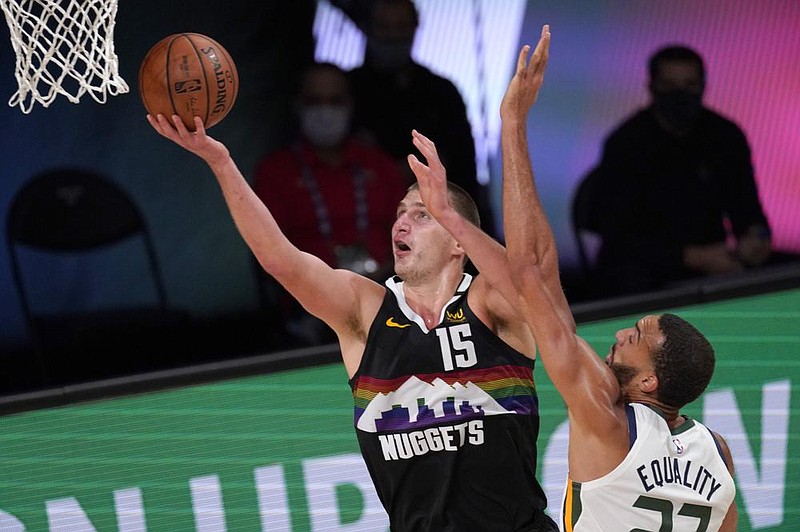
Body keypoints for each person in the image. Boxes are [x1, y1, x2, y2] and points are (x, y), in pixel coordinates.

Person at [146, 89, 556, 530]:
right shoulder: (365, 310)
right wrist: (221, 162)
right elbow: (280, 261)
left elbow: (532, 280)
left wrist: (454, 208)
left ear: (458, 241)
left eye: (422, 215)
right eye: (400, 213)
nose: (401, 221)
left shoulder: (490, 305)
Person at [412, 26, 738, 530]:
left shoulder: (605, 418)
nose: (623, 333)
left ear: (649, 381)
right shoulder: (717, 452)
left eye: (638, 337)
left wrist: (513, 122)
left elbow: (531, 278)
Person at [586, 44, 771, 296]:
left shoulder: (726, 136)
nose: (680, 94)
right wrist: (692, 257)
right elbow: (618, 235)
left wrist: (756, 237)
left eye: (690, 85)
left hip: (716, 262)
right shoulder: (626, 143)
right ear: (652, 87)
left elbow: (748, 209)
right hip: (644, 269)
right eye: (669, 85)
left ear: (703, 86)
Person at [253, 61, 406, 344]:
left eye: (335, 101)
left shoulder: (379, 165)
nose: (325, 110)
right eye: (315, 101)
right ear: (298, 104)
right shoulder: (275, 172)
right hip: (309, 314)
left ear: (350, 104)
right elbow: (268, 251)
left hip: (387, 303)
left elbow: (412, 239)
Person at [339, 0, 495, 235]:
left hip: (433, 222)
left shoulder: (442, 93)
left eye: (401, 26)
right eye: (384, 26)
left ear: (415, 28)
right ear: (367, 27)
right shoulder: (344, 90)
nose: (392, 35)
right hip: (358, 221)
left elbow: (464, 170)